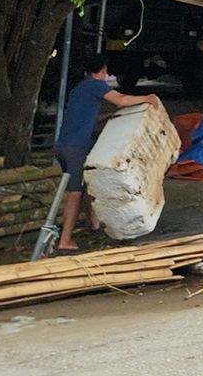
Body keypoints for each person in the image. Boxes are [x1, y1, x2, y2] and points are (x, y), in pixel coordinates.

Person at [54, 55, 159, 253]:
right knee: (75, 193)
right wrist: (148, 98)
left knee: (87, 186)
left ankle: (94, 223)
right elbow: (121, 100)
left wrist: (106, 117)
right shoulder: (96, 85)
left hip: (63, 146)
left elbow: (82, 118)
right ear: (102, 70)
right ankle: (65, 240)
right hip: (77, 148)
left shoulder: (79, 88)